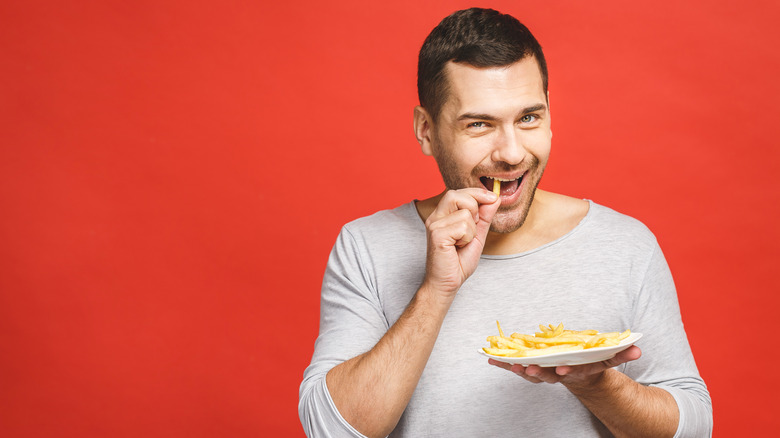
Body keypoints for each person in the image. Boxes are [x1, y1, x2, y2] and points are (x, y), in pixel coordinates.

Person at [299, 7, 712, 438]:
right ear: (426, 130)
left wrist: (597, 383)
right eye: (480, 124)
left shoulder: (626, 245)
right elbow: (332, 430)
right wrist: (436, 292)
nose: (512, 153)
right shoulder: (366, 246)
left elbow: (695, 428)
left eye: (529, 118)